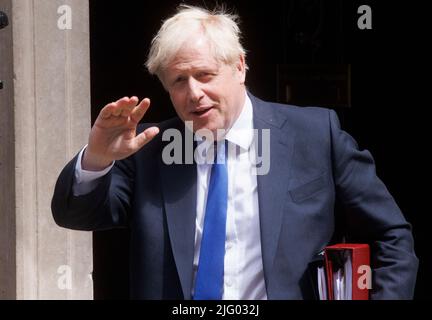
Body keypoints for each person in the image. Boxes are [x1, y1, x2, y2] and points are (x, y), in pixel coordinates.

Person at [51, 5, 418, 299]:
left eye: (205, 75)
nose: (194, 92)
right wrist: (97, 157)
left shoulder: (315, 135)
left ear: (240, 67)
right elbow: (77, 214)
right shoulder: (149, 147)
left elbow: (392, 237)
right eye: (179, 80)